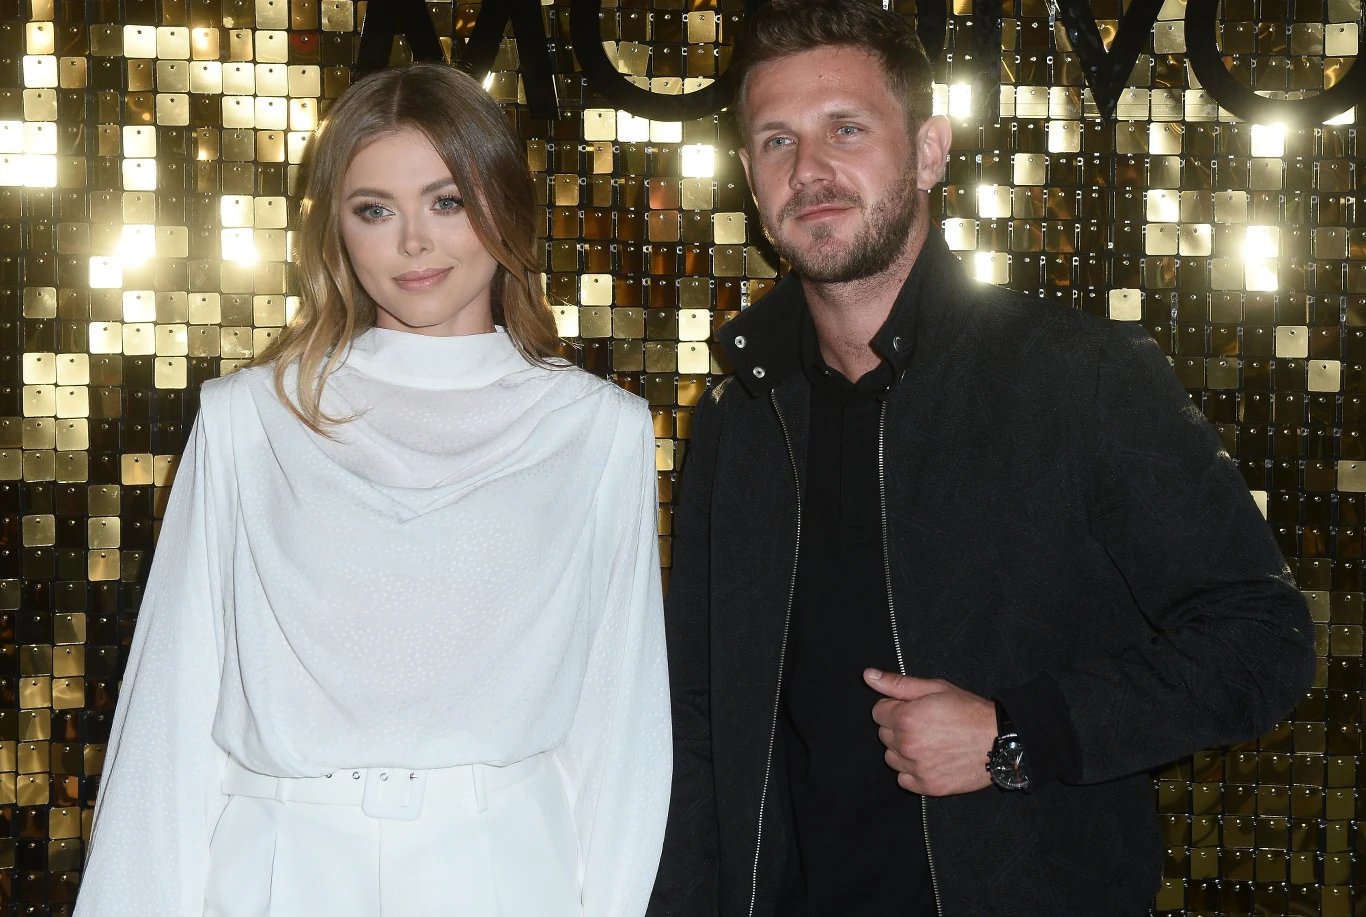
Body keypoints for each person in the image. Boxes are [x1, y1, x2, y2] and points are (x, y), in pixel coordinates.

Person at [647, 2, 1315, 916]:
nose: (809, 170)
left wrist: (1016, 733)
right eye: (776, 141)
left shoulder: (1077, 377)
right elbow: (697, 721)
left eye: (846, 128)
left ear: (929, 152)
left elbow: (1263, 642)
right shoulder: (739, 418)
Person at [74, 62, 670, 917]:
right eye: (375, 210)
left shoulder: (598, 430)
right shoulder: (249, 418)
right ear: (337, 230)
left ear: (504, 204)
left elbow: (621, 731)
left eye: (447, 200)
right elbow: (170, 708)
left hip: (505, 872)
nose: (413, 243)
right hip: (278, 870)